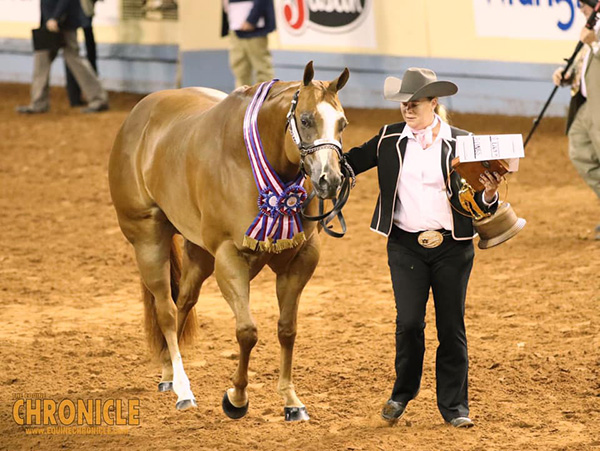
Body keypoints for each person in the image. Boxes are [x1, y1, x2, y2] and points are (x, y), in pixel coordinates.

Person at [343, 68, 502, 428]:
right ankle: (403, 392)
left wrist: (489, 192)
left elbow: (483, 202)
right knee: (409, 322)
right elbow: (348, 164)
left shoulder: (463, 142)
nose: (407, 109)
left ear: (435, 103)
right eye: (403, 103)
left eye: (414, 103)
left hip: (453, 246)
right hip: (405, 246)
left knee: (451, 326)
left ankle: (455, 407)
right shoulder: (388, 139)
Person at [552, 2, 600, 239]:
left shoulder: (593, 35)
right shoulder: (591, 30)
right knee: (580, 153)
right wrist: (568, 75)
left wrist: (594, 43)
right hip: (585, 106)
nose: (581, 8)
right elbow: (587, 66)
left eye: (584, 4)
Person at [16, 0, 109, 114]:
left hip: (64, 22)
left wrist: (56, 17)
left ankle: (98, 99)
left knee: (75, 60)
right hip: (49, 22)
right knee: (42, 60)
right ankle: (38, 103)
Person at [221, 0, 275, 88]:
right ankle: (242, 99)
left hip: (254, 28)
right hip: (235, 26)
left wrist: (252, 19)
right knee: (240, 70)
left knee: (262, 69)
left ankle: (265, 98)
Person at [64, 0, 99, 107]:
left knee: (72, 55)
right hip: (74, 14)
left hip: (74, 14)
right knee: (72, 55)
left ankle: (76, 96)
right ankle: (77, 95)